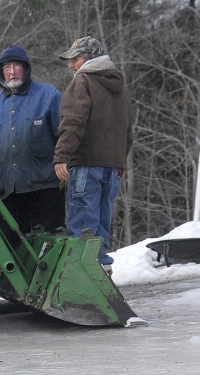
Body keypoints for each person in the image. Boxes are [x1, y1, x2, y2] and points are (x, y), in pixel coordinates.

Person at [53, 36, 133, 269]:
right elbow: (128, 131)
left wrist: (61, 157)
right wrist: (120, 161)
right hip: (113, 168)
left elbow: (73, 123)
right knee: (101, 229)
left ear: (89, 58)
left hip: (86, 167)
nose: (71, 65)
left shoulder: (83, 81)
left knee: (83, 230)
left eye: (75, 59)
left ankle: (83, 284)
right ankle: (103, 273)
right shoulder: (121, 87)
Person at [0, 45, 65, 234]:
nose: (12, 71)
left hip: (45, 189)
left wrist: (65, 163)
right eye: (7, 67)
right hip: (7, 192)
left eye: (17, 66)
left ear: (26, 69)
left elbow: (65, 136)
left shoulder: (49, 96)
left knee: (48, 246)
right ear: (1, 72)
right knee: (14, 249)